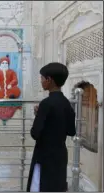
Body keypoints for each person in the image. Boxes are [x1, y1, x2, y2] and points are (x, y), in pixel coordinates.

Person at [26, 62, 76, 192]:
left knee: (41, 187)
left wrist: (38, 115)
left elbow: (35, 133)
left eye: (42, 78)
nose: (41, 81)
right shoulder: (66, 103)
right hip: (60, 156)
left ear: (49, 80)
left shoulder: (46, 104)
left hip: (44, 157)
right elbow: (71, 131)